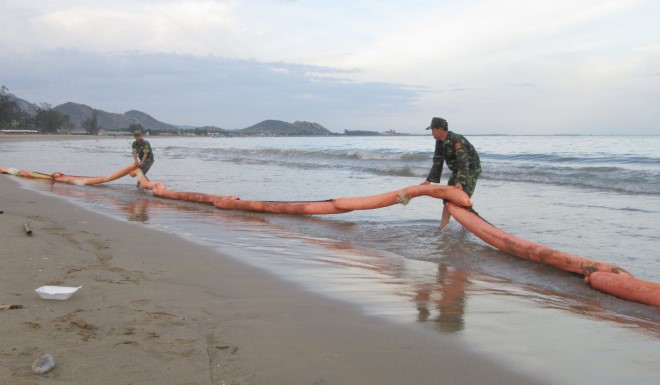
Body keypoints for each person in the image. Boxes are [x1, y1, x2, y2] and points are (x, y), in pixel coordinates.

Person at [420, 117, 481, 229]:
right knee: (447, 199)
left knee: (461, 197)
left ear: (440, 129)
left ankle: (467, 228)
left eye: (433, 130)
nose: (432, 133)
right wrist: (428, 181)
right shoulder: (439, 143)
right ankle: (442, 228)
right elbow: (437, 163)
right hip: (458, 169)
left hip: (470, 169)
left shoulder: (457, 140)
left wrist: (460, 182)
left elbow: (463, 162)